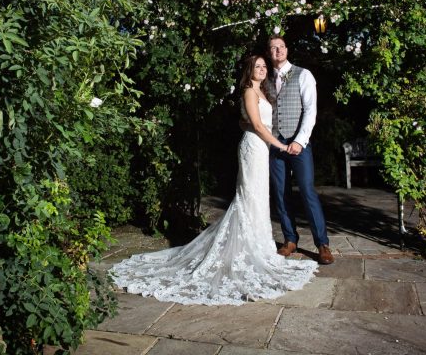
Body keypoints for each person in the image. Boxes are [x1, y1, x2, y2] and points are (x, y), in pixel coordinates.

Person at [111, 55, 318, 305]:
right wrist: (281, 147)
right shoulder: (249, 92)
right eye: (258, 66)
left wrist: (270, 141)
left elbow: (254, 122)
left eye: (264, 66)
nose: (262, 69)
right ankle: (246, 250)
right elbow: (258, 126)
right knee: (249, 197)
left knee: (259, 198)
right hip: (254, 148)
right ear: (249, 70)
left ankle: (260, 247)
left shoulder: (262, 91)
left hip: (262, 149)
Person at [267, 35, 334, 264]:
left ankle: (322, 244)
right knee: (280, 192)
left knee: (307, 190)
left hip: (299, 143)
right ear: (269, 52)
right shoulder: (265, 79)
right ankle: (290, 239)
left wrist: (300, 140)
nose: (278, 51)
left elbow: (310, 111)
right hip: (276, 144)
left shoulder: (303, 74)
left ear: (287, 49)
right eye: (273, 48)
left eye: (281, 47)